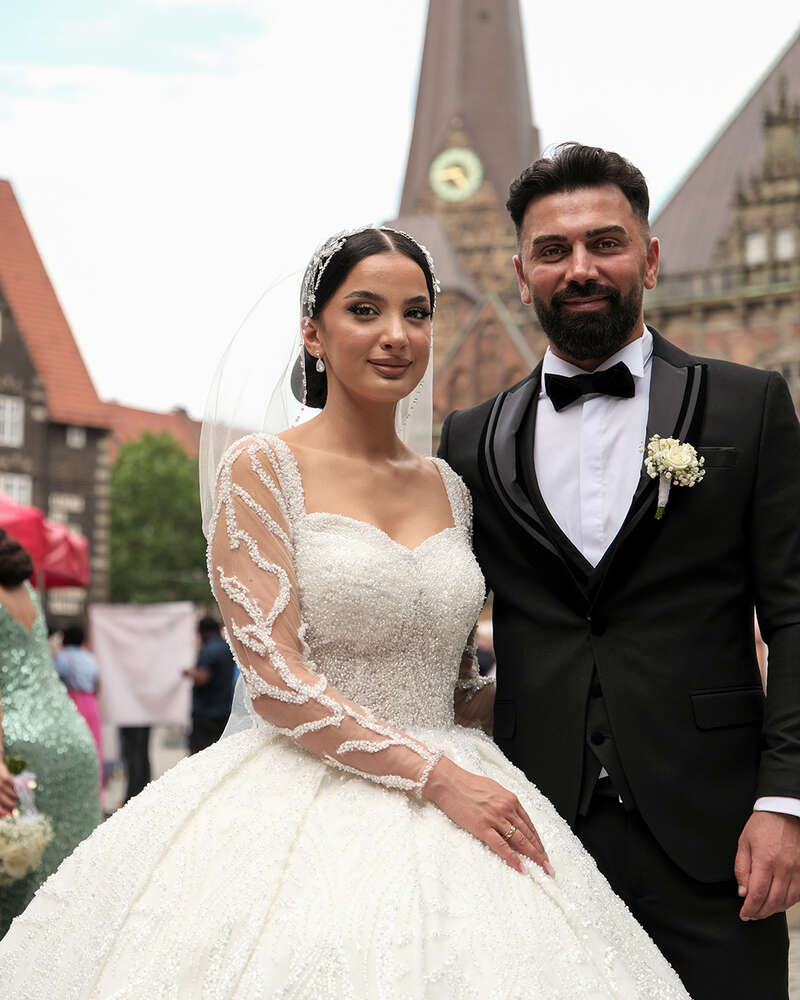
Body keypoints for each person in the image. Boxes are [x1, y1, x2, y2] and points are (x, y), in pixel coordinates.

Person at [0, 227, 689, 998]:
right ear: (313, 331)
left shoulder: (450, 489)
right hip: (304, 790)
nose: (397, 336)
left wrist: (597, 661)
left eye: (417, 314)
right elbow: (275, 680)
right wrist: (432, 776)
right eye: (366, 310)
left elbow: (459, 689)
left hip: (467, 785)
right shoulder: (264, 467)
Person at [438, 142, 800, 1000]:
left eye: (606, 242)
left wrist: (785, 801)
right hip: (537, 836)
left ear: (650, 256)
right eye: (553, 251)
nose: (581, 268)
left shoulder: (748, 405)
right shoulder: (470, 437)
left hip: (718, 837)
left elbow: (793, 615)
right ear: (521, 275)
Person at [0, 529, 101, 937]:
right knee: (69, 892)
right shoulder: (27, 589)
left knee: (20, 902)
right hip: (72, 740)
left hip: (20, 750)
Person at [53, 622, 103, 781]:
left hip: (72, 703)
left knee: (71, 748)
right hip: (91, 703)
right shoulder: (90, 658)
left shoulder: (62, 657)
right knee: (93, 748)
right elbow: (98, 684)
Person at [182, 615, 235, 754]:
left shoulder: (208, 650)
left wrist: (188, 673)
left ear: (203, 632)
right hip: (224, 709)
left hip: (206, 713)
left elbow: (203, 677)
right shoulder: (226, 648)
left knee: (201, 754)